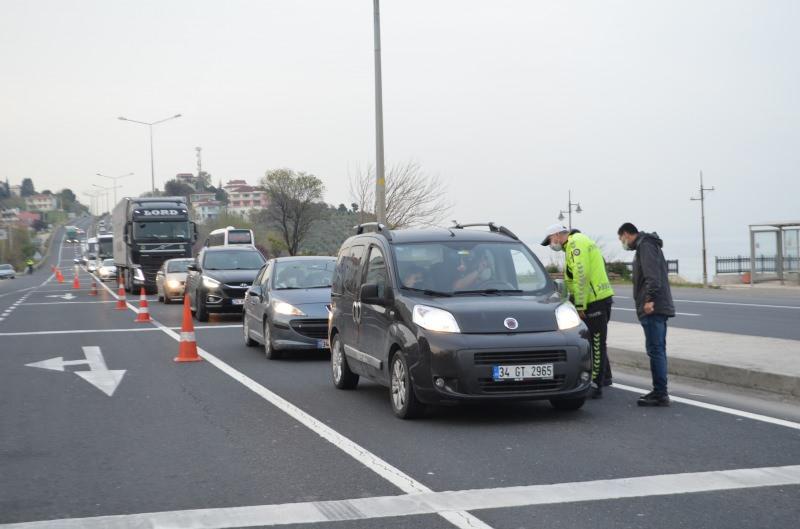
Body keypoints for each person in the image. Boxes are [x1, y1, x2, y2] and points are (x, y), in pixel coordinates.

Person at [541, 224, 614, 398]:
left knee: (596, 343)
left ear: (557, 235)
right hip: (595, 298)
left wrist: (580, 305)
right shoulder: (574, 245)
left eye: (550, 241)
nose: (551, 245)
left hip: (594, 301)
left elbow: (582, 275)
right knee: (596, 341)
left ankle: (596, 384)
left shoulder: (576, 244)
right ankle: (605, 377)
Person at [618, 222, 675, 407]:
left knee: (655, 349)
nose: (622, 243)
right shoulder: (648, 244)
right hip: (657, 306)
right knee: (658, 348)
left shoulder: (645, 246)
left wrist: (649, 300)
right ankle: (660, 390)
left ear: (627, 234)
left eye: (621, 239)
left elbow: (652, 277)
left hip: (653, 307)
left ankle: (660, 393)